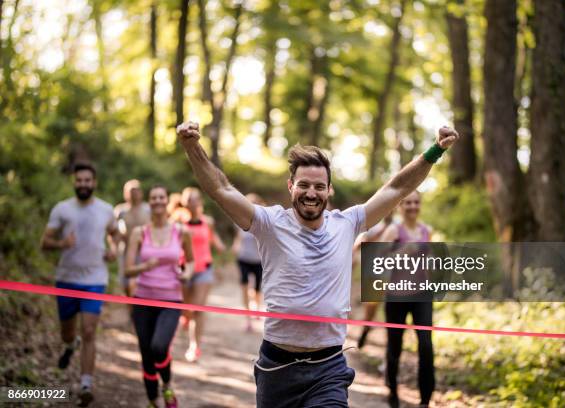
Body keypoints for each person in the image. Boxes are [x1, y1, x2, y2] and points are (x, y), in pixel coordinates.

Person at [176, 120, 458, 407]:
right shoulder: (269, 223)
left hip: (328, 368)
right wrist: (192, 146)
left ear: (329, 190)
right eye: (304, 185)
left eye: (319, 186)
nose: (311, 193)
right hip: (277, 368)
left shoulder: (348, 223)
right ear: (291, 186)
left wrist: (435, 150)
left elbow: (396, 188)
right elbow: (221, 189)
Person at [41, 162, 118, 407]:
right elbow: (45, 242)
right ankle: (68, 345)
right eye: (80, 180)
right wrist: (62, 243)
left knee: (88, 331)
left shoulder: (106, 210)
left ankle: (86, 383)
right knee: (68, 331)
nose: (83, 184)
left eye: (88, 180)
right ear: (74, 182)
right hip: (66, 278)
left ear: (94, 183)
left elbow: (115, 233)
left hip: (95, 279)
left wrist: (114, 248)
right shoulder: (62, 209)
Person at [125, 185, 194, 408]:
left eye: (160, 197)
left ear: (166, 201)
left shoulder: (181, 231)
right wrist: (144, 266)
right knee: (146, 353)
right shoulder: (139, 233)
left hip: (171, 300)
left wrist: (187, 273)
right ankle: (153, 400)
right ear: (149, 201)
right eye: (153, 197)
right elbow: (127, 270)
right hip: (142, 300)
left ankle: (167, 384)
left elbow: (191, 262)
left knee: (158, 346)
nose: (157, 201)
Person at [380, 191, 434, 407]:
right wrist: (405, 250)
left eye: (416, 202)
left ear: (420, 204)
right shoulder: (394, 230)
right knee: (395, 345)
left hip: (422, 296)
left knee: (426, 345)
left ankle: (425, 398)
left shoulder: (426, 230)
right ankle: (392, 389)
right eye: (408, 202)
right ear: (400, 206)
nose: (412, 206)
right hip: (396, 297)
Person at [179, 186, 226, 362]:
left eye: (195, 198)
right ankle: (186, 317)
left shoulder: (208, 222)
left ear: (200, 202)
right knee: (187, 310)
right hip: (184, 269)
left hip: (204, 269)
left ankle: (194, 346)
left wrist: (220, 246)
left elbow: (213, 238)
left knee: (198, 309)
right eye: (188, 199)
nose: (192, 202)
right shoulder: (178, 221)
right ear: (184, 203)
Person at [353, 212, 394, 349]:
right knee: (371, 311)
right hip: (375, 276)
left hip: (395, 277)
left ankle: (390, 346)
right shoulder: (375, 224)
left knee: (392, 314)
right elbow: (358, 245)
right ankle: (365, 330)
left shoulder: (399, 225)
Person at [231, 193, 266, 332]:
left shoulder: (263, 222)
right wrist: (236, 245)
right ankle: (248, 318)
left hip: (258, 261)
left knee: (257, 289)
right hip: (243, 259)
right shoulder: (239, 220)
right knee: (244, 286)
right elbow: (238, 237)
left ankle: (256, 308)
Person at [114, 179, 150, 296]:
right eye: (131, 191)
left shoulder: (148, 209)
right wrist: (114, 247)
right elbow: (114, 232)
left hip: (143, 250)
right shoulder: (120, 210)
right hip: (125, 250)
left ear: (141, 193)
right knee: (126, 280)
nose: (134, 194)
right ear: (125, 193)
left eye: (136, 191)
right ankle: (130, 304)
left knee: (143, 279)